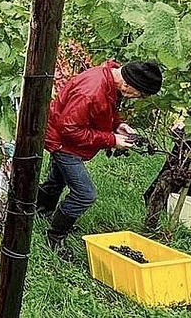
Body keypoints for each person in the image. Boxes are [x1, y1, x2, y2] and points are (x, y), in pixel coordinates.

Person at [36, 59, 162, 257]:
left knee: (57, 180)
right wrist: (112, 140)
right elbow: (69, 128)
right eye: (140, 94)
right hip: (63, 143)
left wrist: (117, 125)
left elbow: (103, 110)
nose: (138, 98)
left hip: (65, 137)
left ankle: (41, 212)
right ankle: (55, 236)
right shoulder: (92, 90)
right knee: (85, 194)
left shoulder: (111, 78)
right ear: (128, 85)